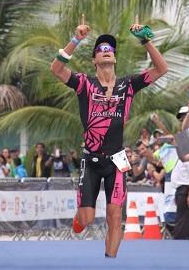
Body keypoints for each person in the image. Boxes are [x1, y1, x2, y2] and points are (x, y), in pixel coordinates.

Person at [50, 16, 167, 257]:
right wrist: (76, 40)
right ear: (94, 59)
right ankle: (80, 217)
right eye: (101, 49)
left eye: (109, 49)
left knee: (115, 217)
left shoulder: (129, 85)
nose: (106, 51)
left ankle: (110, 261)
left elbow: (161, 69)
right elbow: (57, 69)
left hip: (118, 160)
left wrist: (145, 40)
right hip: (90, 159)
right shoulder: (84, 84)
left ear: (114, 57)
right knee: (87, 220)